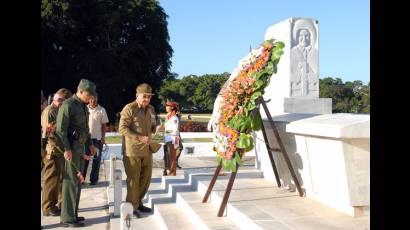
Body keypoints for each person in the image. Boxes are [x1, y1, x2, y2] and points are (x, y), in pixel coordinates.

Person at [56, 79, 97, 227]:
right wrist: (66, 149)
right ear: (80, 91)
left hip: (80, 149)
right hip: (71, 149)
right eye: (89, 94)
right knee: (70, 183)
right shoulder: (68, 105)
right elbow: (60, 130)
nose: (91, 97)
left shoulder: (83, 107)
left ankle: (73, 213)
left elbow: (85, 129)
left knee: (78, 183)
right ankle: (67, 218)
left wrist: (90, 144)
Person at [119, 83, 161, 218]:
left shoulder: (151, 109)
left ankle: (138, 202)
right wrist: (139, 137)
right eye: (144, 96)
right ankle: (132, 206)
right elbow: (122, 128)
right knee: (133, 180)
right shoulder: (129, 108)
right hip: (133, 151)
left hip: (147, 150)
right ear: (137, 96)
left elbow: (153, 126)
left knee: (146, 178)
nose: (147, 99)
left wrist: (158, 130)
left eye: (149, 97)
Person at [41, 88, 73, 217]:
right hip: (52, 150)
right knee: (51, 180)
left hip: (60, 150)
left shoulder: (59, 110)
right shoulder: (50, 111)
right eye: (63, 101)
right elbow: (47, 134)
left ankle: (58, 204)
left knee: (59, 179)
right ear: (59, 100)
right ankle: (48, 207)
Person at [82, 94, 109, 185]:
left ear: (97, 99)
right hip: (85, 139)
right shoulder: (84, 108)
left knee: (96, 160)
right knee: (84, 160)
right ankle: (82, 179)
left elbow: (104, 126)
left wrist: (103, 137)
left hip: (97, 139)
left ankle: (94, 180)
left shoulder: (102, 110)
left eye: (95, 99)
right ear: (89, 99)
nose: (93, 100)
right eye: (91, 99)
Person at [290, 26, 318, 97]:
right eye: (301, 36)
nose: (304, 38)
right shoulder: (292, 52)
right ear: (296, 37)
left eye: (306, 36)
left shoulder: (315, 52)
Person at [158, 101, 180, 176]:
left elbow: (174, 129)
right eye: (166, 106)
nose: (166, 107)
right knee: (166, 155)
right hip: (168, 137)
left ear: (172, 107)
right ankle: (167, 170)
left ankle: (172, 173)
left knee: (172, 156)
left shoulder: (174, 117)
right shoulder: (168, 116)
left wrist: (165, 132)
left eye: (168, 106)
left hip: (173, 138)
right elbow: (166, 126)